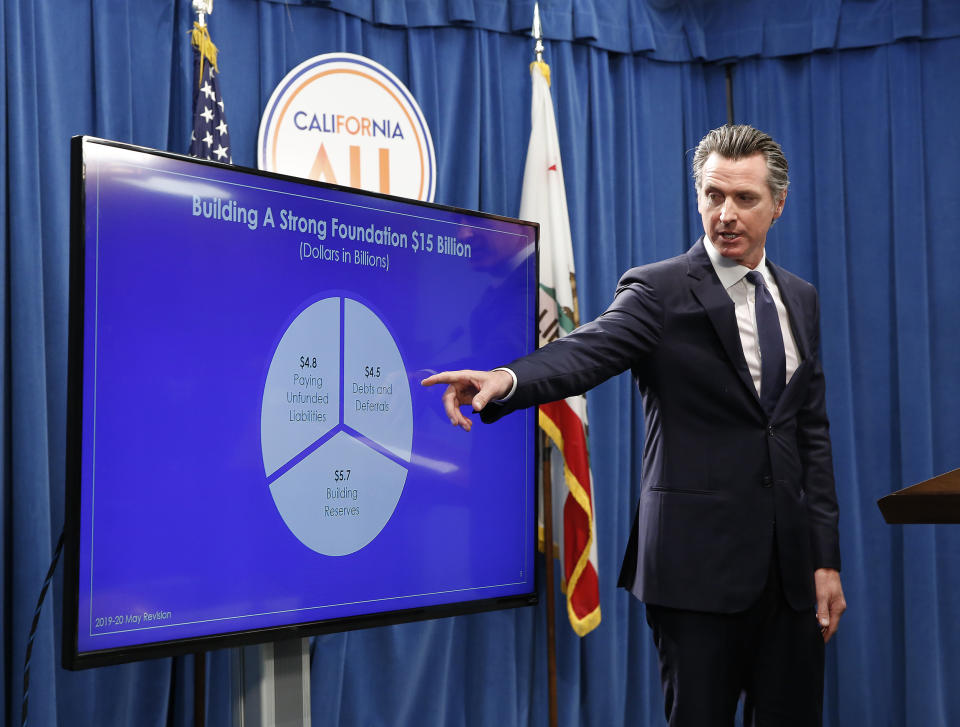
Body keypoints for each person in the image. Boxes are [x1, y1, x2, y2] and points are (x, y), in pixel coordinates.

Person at [422, 124, 845, 726]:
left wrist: (825, 560)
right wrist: (506, 380)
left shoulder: (799, 298)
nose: (724, 213)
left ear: (778, 205)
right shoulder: (660, 290)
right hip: (695, 577)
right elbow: (584, 352)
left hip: (791, 579)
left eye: (744, 199)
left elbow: (810, 434)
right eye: (712, 195)